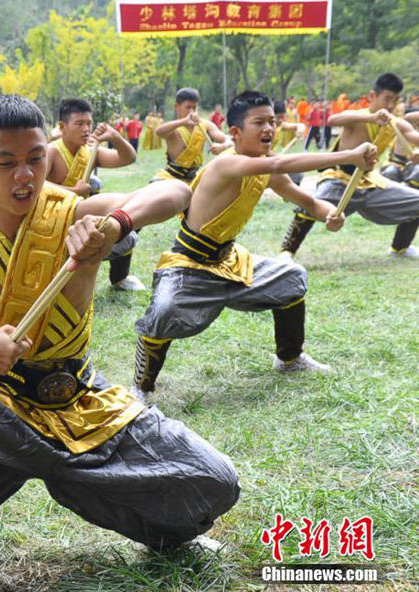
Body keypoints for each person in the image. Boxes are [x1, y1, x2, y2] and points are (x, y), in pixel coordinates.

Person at [0, 95, 239, 592]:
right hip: (2, 396)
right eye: (6, 162)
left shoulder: (78, 215)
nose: (25, 176)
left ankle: (169, 534)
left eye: (36, 158)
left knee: (213, 477)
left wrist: (114, 226)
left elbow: (176, 194)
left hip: (80, 394)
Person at [132, 91, 376, 398]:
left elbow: (308, 201)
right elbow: (279, 165)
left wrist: (331, 214)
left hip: (230, 260)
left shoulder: (264, 168)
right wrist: (347, 156)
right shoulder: (227, 164)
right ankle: (140, 387)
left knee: (292, 278)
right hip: (189, 263)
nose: (269, 129)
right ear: (235, 132)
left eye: (272, 122)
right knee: (164, 311)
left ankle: (289, 358)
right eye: (259, 122)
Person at [280, 73, 419, 259]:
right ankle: (287, 253)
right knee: (311, 204)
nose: (391, 106)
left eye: (395, 100)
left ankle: (400, 249)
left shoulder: (396, 123)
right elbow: (332, 120)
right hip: (339, 179)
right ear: (372, 96)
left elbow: (414, 138)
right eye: (387, 99)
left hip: (370, 182)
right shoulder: (357, 117)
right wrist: (371, 119)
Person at [46, 98, 142, 291]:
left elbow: (128, 158)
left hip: (81, 220)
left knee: (127, 233)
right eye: (79, 124)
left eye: (89, 123)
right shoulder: (51, 151)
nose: (86, 129)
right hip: (52, 225)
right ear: (62, 126)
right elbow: (37, 186)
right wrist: (74, 192)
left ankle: (119, 278)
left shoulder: (91, 151)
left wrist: (114, 137)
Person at [152, 88, 232, 185]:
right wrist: (183, 121)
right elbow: (158, 132)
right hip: (171, 178)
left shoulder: (205, 124)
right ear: (176, 106)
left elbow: (228, 140)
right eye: (188, 107)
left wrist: (222, 146)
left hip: (195, 179)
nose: (191, 112)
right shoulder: (172, 128)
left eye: (194, 108)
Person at [380, 107, 419, 187]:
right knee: (390, 172)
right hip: (398, 165)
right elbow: (408, 117)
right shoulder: (404, 127)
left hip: (414, 170)